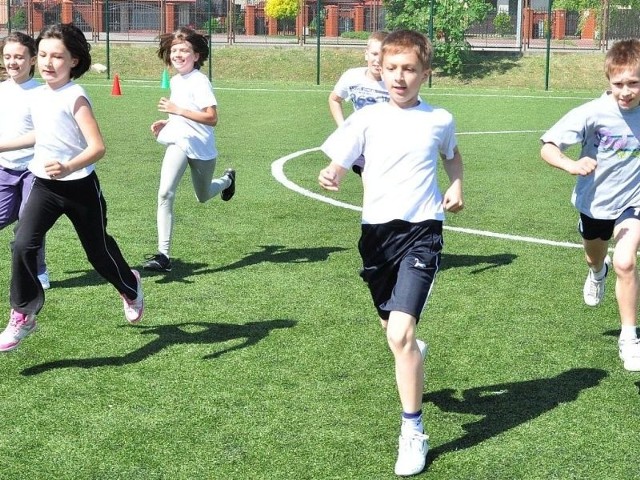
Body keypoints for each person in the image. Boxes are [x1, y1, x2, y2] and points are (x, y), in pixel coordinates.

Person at [318, 30, 464, 476]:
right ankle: (412, 351)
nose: (400, 78)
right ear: (380, 69)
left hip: (422, 231)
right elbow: (340, 159)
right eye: (393, 68)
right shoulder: (365, 119)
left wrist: (456, 183)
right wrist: (333, 172)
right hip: (376, 237)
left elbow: (452, 156)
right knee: (393, 333)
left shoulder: (439, 118)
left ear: (426, 73)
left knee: (399, 333)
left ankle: (413, 431)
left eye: (410, 70)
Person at [0, 23, 144, 353]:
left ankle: (130, 285)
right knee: (22, 244)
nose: (49, 62)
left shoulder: (76, 97)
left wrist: (69, 165)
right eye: (45, 55)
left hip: (79, 188)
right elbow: (41, 135)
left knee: (99, 254)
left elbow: (97, 147)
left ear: (74, 61)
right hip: (44, 186)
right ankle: (23, 315)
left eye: (58, 56)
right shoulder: (37, 96)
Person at [540, 38, 640, 372]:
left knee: (626, 262)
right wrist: (571, 165)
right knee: (595, 255)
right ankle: (597, 272)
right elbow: (548, 146)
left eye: (634, 83)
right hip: (595, 203)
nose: (625, 91)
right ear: (608, 82)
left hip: (633, 203)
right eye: (618, 84)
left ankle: (629, 338)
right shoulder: (593, 113)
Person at [143, 26, 235, 273]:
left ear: (196, 56)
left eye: (184, 50)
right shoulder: (175, 80)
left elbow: (211, 118)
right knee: (165, 193)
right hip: (180, 141)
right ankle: (163, 255)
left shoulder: (200, 81)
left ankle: (227, 181)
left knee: (203, 196)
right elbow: (181, 112)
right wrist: (168, 122)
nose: (178, 54)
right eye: (174, 50)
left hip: (202, 147)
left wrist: (177, 111)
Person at [0, 32, 50, 290]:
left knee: (29, 223)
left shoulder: (41, 93)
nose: (12, 62)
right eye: (7, 56)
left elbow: (41, 133)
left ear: (32, 60)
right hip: (3, 168)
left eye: (19, 57)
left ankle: (38, 270)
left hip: (34, 169)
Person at [328, 30, 389, 176]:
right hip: (363, 146)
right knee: (369, 182)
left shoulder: (396, 82)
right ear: (366, 53)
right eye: (374, 54)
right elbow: (334, 99)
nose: (378, 60)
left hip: (389, 146)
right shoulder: (352, 76)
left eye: (383, 55)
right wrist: (343, 127)